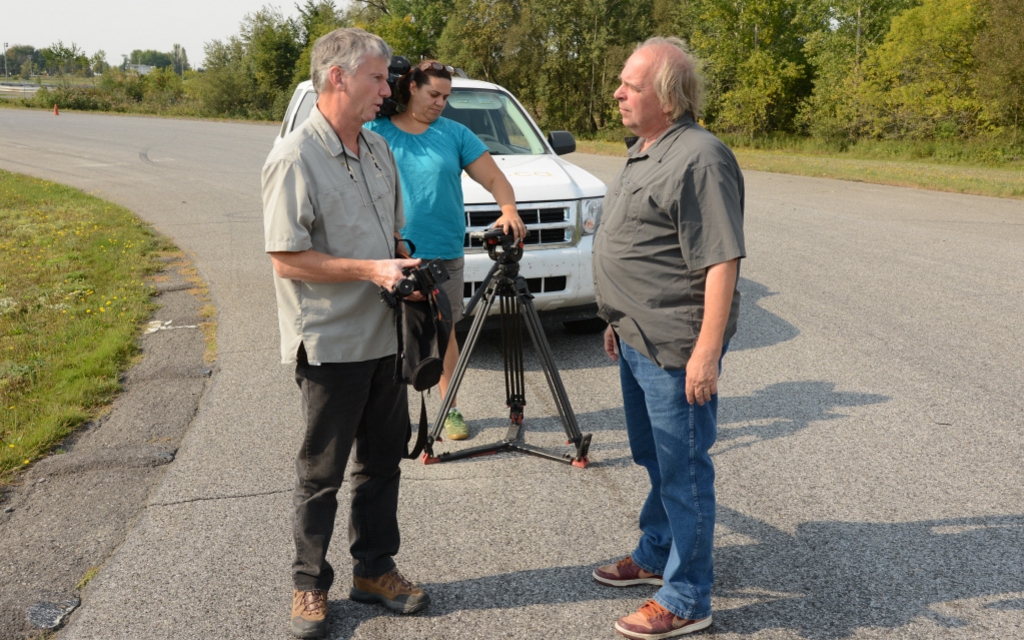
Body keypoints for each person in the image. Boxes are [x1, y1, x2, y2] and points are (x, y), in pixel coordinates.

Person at [261, 28, 431, 639]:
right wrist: (371, 270)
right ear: (339, 77)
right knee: (322, 473)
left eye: (386, 79)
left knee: (383, 462)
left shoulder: (379, 150)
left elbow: (393, 236)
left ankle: (374, 571)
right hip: (331, 343)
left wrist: (407, 267)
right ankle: (309, 586)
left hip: (386, 338)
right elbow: (286, 258)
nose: (389, 91)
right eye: (378, 78)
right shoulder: (294, 156)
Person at [591, 37, 745, 639]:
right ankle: (656, 554)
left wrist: (705, 354)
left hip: (675, 349)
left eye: (630, 84)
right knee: (654, 458)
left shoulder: (701, 157)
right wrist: (615, 319)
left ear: (666, 94)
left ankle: (686, 596)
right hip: (634, 338)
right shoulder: (646, 149)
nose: (618, 92)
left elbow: (720, 262)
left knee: (683, 470)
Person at [365, 60, 526, 441]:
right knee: (385, 334)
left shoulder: (455, 134)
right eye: (433, 94)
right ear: (410, 89)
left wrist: (508, 209)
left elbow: (493, 177)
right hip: (389, 252)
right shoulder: (375, 131)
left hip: (443, 253)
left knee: (444, 331)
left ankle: (449, 406)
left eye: (446, 97)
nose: (440, 103)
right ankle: (383, 413)